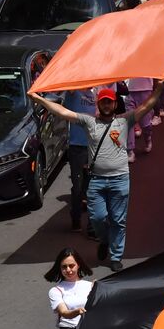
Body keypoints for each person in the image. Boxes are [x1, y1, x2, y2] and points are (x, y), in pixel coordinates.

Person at [29, 82, 164, 271]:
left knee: (118, 221)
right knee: (97, 218)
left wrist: (159, 89)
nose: (106, 105)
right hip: (97, 181)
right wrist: (38, 98)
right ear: (98, 103)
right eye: (103, 102)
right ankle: (105, 240)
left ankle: (116, 257)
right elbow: (63, 112)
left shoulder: (124, 121)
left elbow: (146, 106)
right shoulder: (89, 122)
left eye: (109, 102)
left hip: (120, 179)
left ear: (114, 104)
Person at [46, 248, 94, 329]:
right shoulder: (55, 291)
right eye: (64, 267)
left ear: (78, 265)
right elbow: (64, 312)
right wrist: (76, 312)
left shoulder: (91, 286)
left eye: (71, 265)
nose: (68, 270)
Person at [62, 88, 98, 233]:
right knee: (77, 188)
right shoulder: (73, 93)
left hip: (92, 147)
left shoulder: (94, 94)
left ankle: (92, 227)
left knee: (92, 188)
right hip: (77, 148)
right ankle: (76, 219)